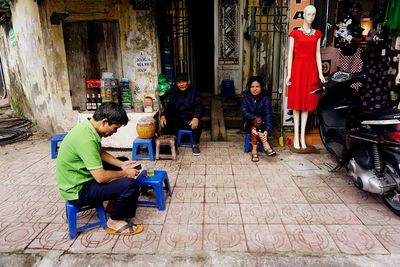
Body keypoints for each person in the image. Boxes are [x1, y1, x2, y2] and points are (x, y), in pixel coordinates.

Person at [56, 102, 143, 236]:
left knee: (123, 161)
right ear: (104, 122)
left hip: (82, 178)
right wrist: (125, 173)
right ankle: (114, 221)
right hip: (78, 190)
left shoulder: (88, 127)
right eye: (114, 128)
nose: (114, 132)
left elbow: (100, 152)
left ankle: (114, 204)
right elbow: (100, 177)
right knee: (129, 185)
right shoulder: (86, 139)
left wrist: (121, 165)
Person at [286, 5, 325, 151]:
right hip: (298, 70)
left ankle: (303, 138)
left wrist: (320, 72)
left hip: (311, 71)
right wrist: (289, 73)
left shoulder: (317, 34)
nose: (311, 17)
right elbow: (290, 55)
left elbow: (317, 54)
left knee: (307, 105)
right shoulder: (295, 34)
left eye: (313, 14)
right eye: (308, 14)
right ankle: (296, 137)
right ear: (303, 15)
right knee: (297, 105)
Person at [160, 72, 204, 156]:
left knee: (200, 123)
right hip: (178, 120)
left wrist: (196, 117)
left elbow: (199, 106)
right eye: (179, 82)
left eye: (183, 81)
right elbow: (170, 106)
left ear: (188, 82)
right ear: (176, 83)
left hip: (189, 121)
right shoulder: (174, 93)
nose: (181, 84)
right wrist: (163, 114)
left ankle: (195, 145)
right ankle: (167, 145)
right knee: (165, 121)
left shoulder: (194, 93)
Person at [242, 76, 276, 162]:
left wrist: (267, 130)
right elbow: (245, 113)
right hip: (248, 123)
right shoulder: (246, 98)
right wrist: (258, 118)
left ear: (261, 87)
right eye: (252, 87)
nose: (255, 89)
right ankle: (265, 144)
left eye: (257, 86)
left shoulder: (265, 98)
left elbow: (268, 115)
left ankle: (254, 151)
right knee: (257, 121)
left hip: (262, 125)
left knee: (255, 128)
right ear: (249, 88)